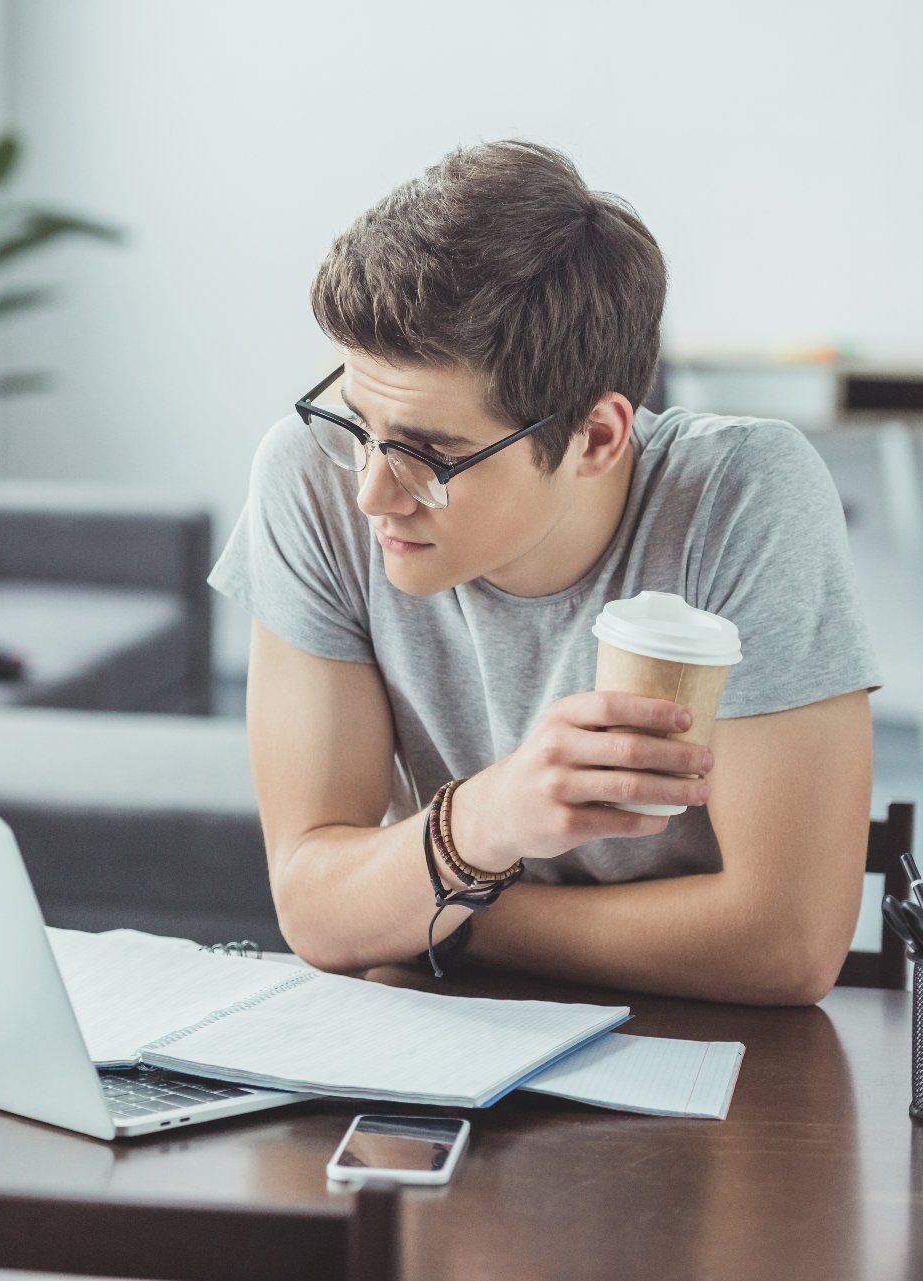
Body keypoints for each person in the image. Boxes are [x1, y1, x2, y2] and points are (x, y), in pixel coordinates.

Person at [208, 141, 881, 1005]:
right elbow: (313, 908)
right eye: (358, 421)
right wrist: (492, 816)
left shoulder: (741, 496)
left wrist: (437, 915)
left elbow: (784, 945)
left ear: (598, 438)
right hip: (438, 1053)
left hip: (701, 1060)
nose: (374, 491)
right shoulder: (313, 472)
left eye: (431, 453)